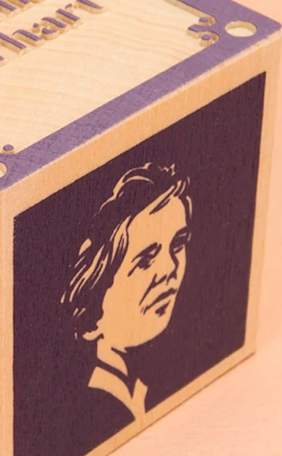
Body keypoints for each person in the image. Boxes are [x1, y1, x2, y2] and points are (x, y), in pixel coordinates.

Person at [61, 162, 193, 421]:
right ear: (96, 289)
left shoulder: (143, 390)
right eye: (145, 259)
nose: (170, 268)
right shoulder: (93, 409)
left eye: (177, 245)